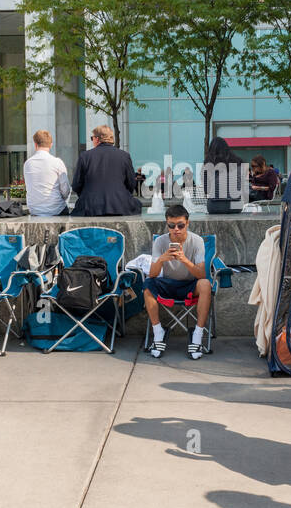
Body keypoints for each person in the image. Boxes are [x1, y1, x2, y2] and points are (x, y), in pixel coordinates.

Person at [144, 204, 212, 360]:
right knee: (148, 284)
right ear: (167, 224)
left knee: (205, 284)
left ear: (187, 223)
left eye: (180, 225)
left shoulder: (197, 241)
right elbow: (153, 274)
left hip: (189, 285)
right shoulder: (161, 242)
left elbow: (202, 274)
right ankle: (158, 332)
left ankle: (197, 334)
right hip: (167, 283)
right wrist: (161, 259)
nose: (176, 229)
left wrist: (184, 260)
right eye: (171, 225)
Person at [71, 125, 141, 216]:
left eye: (92, 138)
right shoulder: (124, 156)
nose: (92, 140)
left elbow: (76, 185)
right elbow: (131, 183)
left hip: (90, 206)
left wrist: (87, 194)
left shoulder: (85, 156)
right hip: (120, 205)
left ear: (97, 139)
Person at [23, 131, 72, 216]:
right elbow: (66, 190)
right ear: (51, 145)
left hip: (35, 210)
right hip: (57, 210)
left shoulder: (28, 163)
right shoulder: (57, 162)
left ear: (35, 144)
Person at [203, 137, 247, 214]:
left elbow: (207, 190)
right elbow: (242, 187)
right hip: (236, 205)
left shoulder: (208, 164)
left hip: (215, 206)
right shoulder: (239, 162)